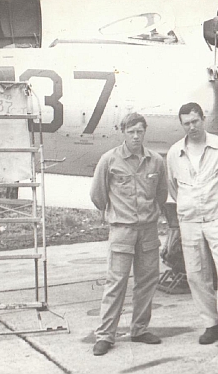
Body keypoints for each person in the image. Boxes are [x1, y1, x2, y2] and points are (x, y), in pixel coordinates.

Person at [90, 112, 168, 356]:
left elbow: (161, 194)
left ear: (145, 132)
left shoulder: (155, 161)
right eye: (131, 132)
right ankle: (105, 335)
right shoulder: (109, 160)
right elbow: (97, 195)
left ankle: (140, 329)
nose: (136, 136)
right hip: (122, 230)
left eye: (140, 131)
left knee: (147, 282)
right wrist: (116, 213)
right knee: (116, 283)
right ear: (123, 133)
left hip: (147, 231)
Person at [167, 102, 218, 349]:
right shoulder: (174, 153)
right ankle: (211, 324)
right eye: (186, 123)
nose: (192, 127)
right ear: (182, 125)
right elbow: (173, 187)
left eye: (195, 121)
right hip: (189, 222)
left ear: (204, 119)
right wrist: (190, 208)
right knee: (196, 275)